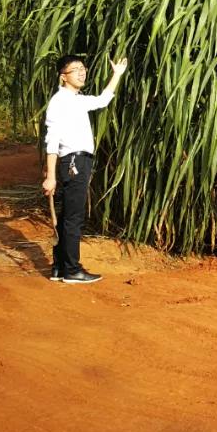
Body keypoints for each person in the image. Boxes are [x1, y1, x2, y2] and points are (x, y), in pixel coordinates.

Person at [42, 54, 128, 283]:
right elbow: (51, 141)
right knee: (73, 218)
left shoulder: (76, 100)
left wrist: (116, 75)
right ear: (63, 77)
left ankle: (60, 267)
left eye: (83, 68)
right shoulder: (59, 102)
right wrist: (50, 176)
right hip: (73, 163)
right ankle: (72, 270)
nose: (82, 72)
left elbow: (102, 100)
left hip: (78, 162)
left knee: (67, 216)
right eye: (75, 69)